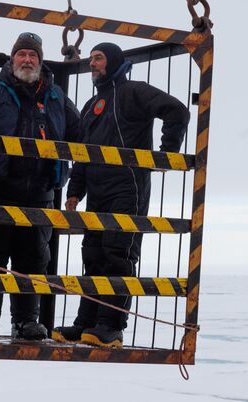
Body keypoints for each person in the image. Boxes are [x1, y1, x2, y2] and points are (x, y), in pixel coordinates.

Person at [52, 42, 190, 348]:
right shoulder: (91, 105)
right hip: (97, 192)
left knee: (118, 255)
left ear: (113, 61)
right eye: (90, 60)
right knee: (92, 256)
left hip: (128, 187)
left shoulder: (134, 92)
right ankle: (86, 323)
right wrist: (75, 192)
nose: (92, 64)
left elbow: (177, 111)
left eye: (98, 58)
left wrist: (166, 154)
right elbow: (83, 154)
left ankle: (111, 326)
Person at [0, 32, 80, 340]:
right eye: (22, 54)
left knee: (33, 260)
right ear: (12, 60)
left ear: (40, 62)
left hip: (40, 195)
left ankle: (26, 321)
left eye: (33, 55)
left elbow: (82, 136)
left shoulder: (57, 98)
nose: (27, 60)